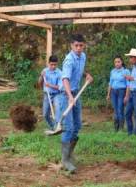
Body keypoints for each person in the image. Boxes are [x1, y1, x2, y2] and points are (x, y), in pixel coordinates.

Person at [55, 34, 93, 173]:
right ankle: (65, 160)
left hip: (76, 92)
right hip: (66, 94)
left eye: (81, 45)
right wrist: (70, 96)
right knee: (69, 127)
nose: (78, 48)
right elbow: (65, 79)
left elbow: (78, 71)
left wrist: (86, 75)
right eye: (76, 45)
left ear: (84, 46)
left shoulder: (82, 56)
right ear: (71, 46)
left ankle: (69, 155)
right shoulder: (68, 60)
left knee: (77, 125)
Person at [107, 56, 130, 132]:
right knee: (115, 110)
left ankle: (121, 128)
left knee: (120, 109)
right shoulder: (112, 71)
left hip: (121, 92)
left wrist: (126, 96)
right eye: (115, 62)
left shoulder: (126, 71)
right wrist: (108, 94)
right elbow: (110, 83)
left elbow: (128, 85)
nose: (117, 63)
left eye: (118, 62)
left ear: (122, 62)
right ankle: (115, 128)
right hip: (113, 92)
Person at [38, 55, 62, 130]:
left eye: (55, 64)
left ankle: (57, 127)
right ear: (49, 63)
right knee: (45, 114)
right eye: (52, 64)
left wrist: (49, 85)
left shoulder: (60, 73)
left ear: (57, 64)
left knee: (58, 110)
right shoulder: (45, 71)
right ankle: (52, 126)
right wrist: (41, 76)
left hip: (56, 94)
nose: (53, 66)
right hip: (47, 94)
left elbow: (59, 87)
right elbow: (39, 83)